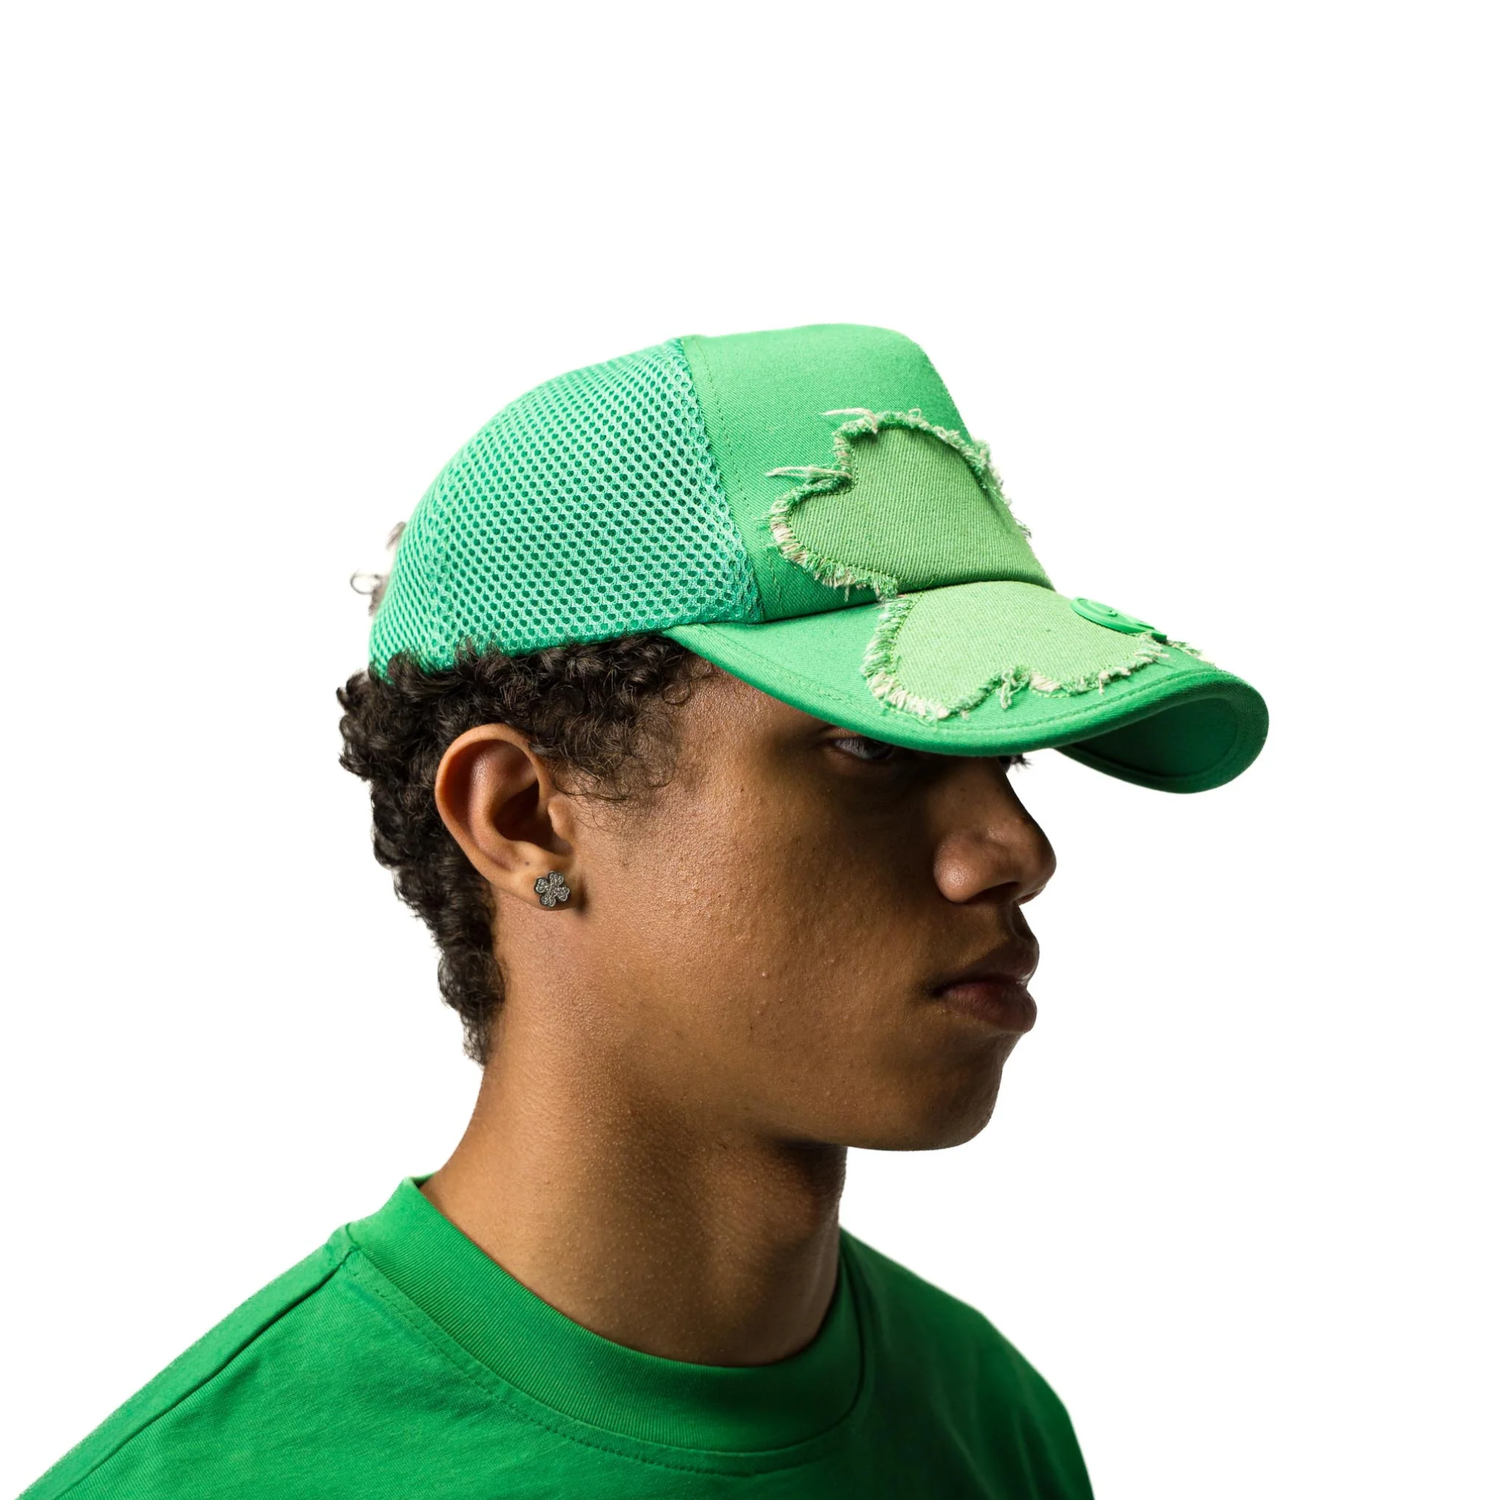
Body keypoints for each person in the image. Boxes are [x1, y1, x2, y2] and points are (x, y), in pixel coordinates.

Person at [21, 323, 1268, 1498]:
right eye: (870, 749)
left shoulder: (989, 1421)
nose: (1016, 850)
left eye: (1012, 757)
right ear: (521, 815)